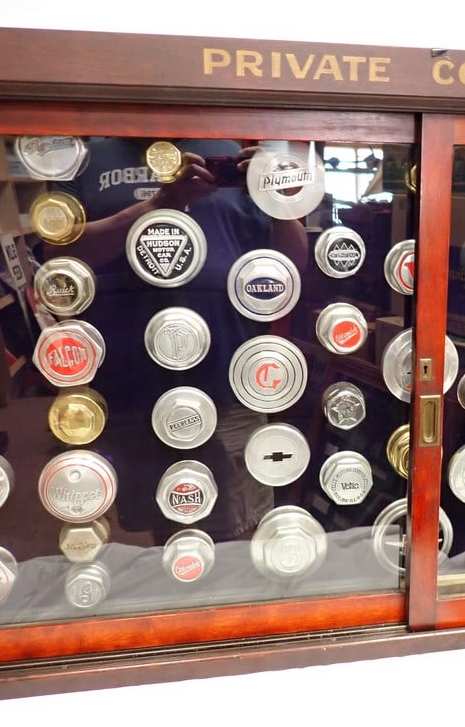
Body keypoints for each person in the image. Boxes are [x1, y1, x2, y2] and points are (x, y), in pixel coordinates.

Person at [49, 137, 307, 543]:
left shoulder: (230, 155)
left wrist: (276, 200)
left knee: (239, 521)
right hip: (131, 378)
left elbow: (291, 265)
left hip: (228, 372)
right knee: (165, 516)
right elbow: (60, 254)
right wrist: (157, 205)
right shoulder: (83, 159)